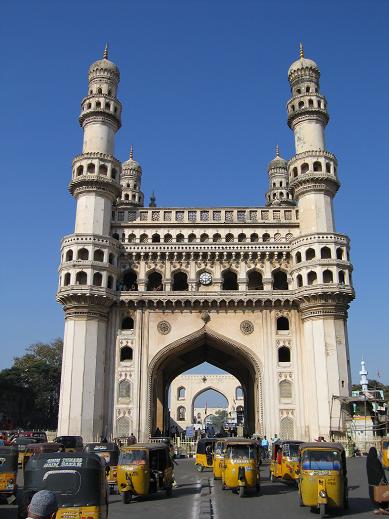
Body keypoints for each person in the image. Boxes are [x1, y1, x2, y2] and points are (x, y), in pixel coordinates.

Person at [366, 447, 389, 515]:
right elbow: (380, 471)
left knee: (373, 496)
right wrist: (384, 479)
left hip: (370, 483)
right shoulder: (376, 461)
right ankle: (382, 508)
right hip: (378, 482)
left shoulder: (368, 460)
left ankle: (376, 508)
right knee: (382, 494)